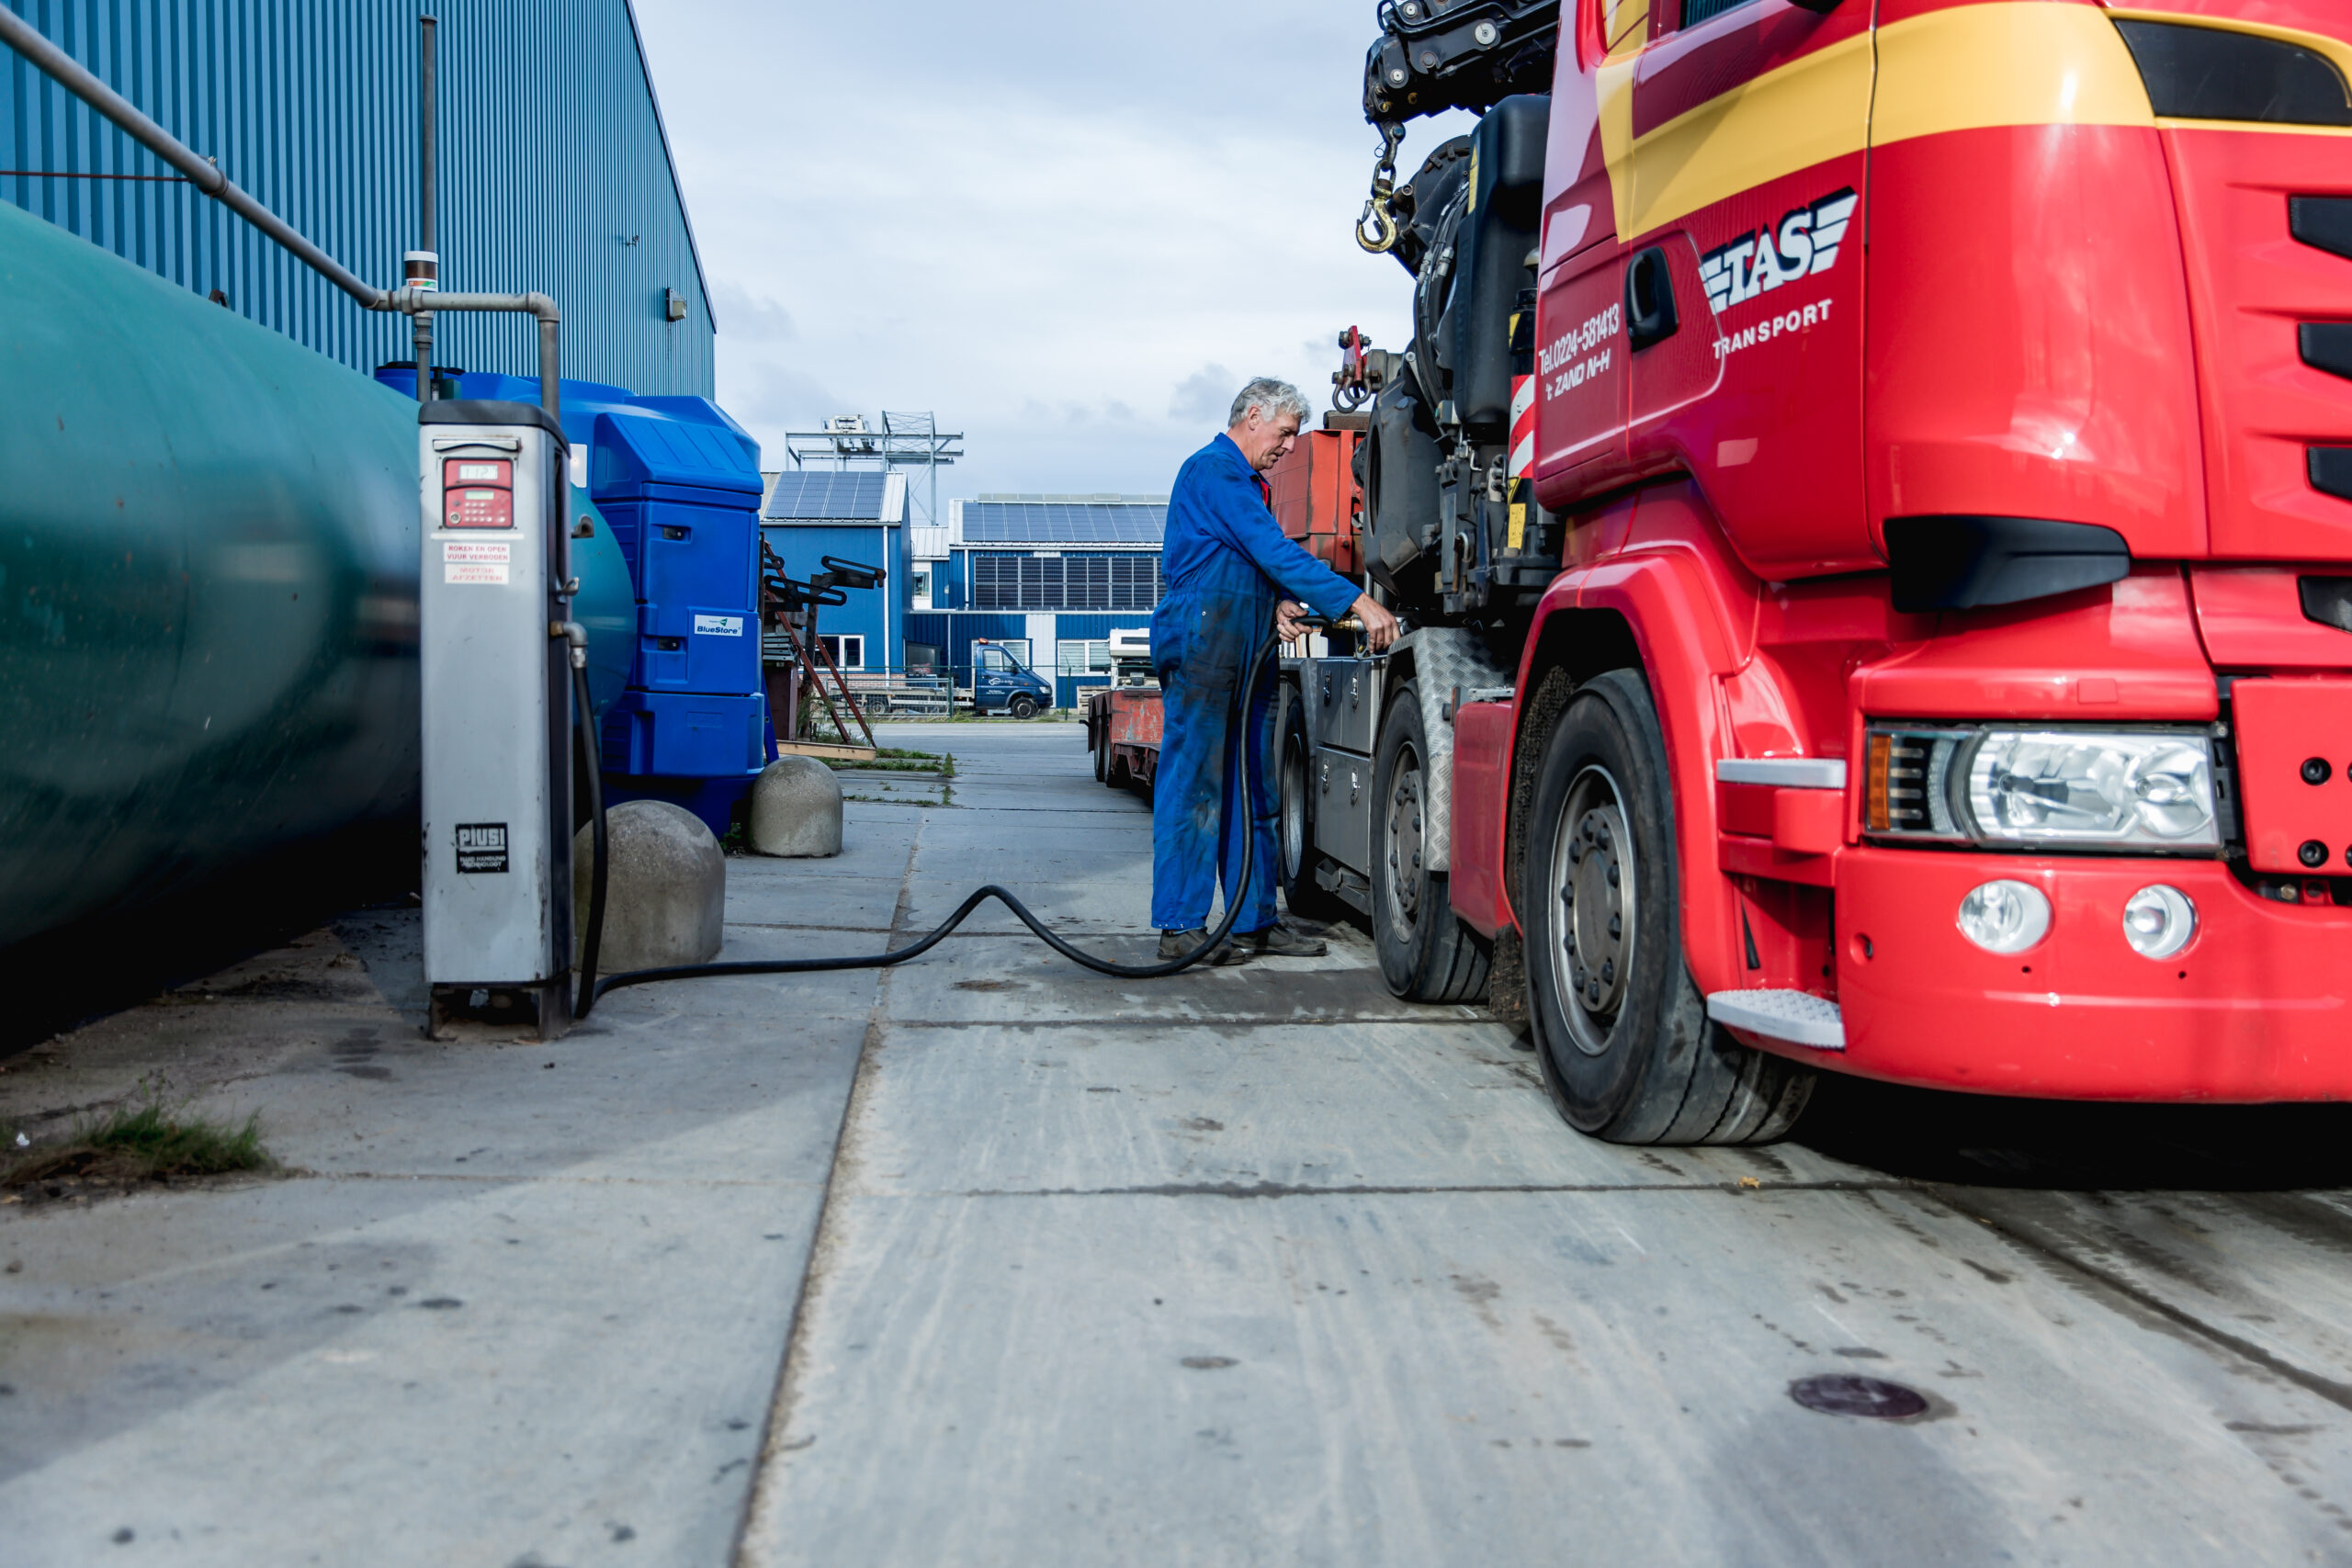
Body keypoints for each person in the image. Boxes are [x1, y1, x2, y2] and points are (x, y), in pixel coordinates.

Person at [1150, 377, 1399, 964]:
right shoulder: (1214, 472)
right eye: (1285, 433)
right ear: (1254, 416)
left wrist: (1279, 604)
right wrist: (1355, 600)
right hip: (1204, 641)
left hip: (1245, 643)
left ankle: (1253, 921)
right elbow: (1270, 550)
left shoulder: (1246, 484)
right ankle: (1180, 926)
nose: (1289, 447)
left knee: (1253, 785)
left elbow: (1245, 563)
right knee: (1197, 785)